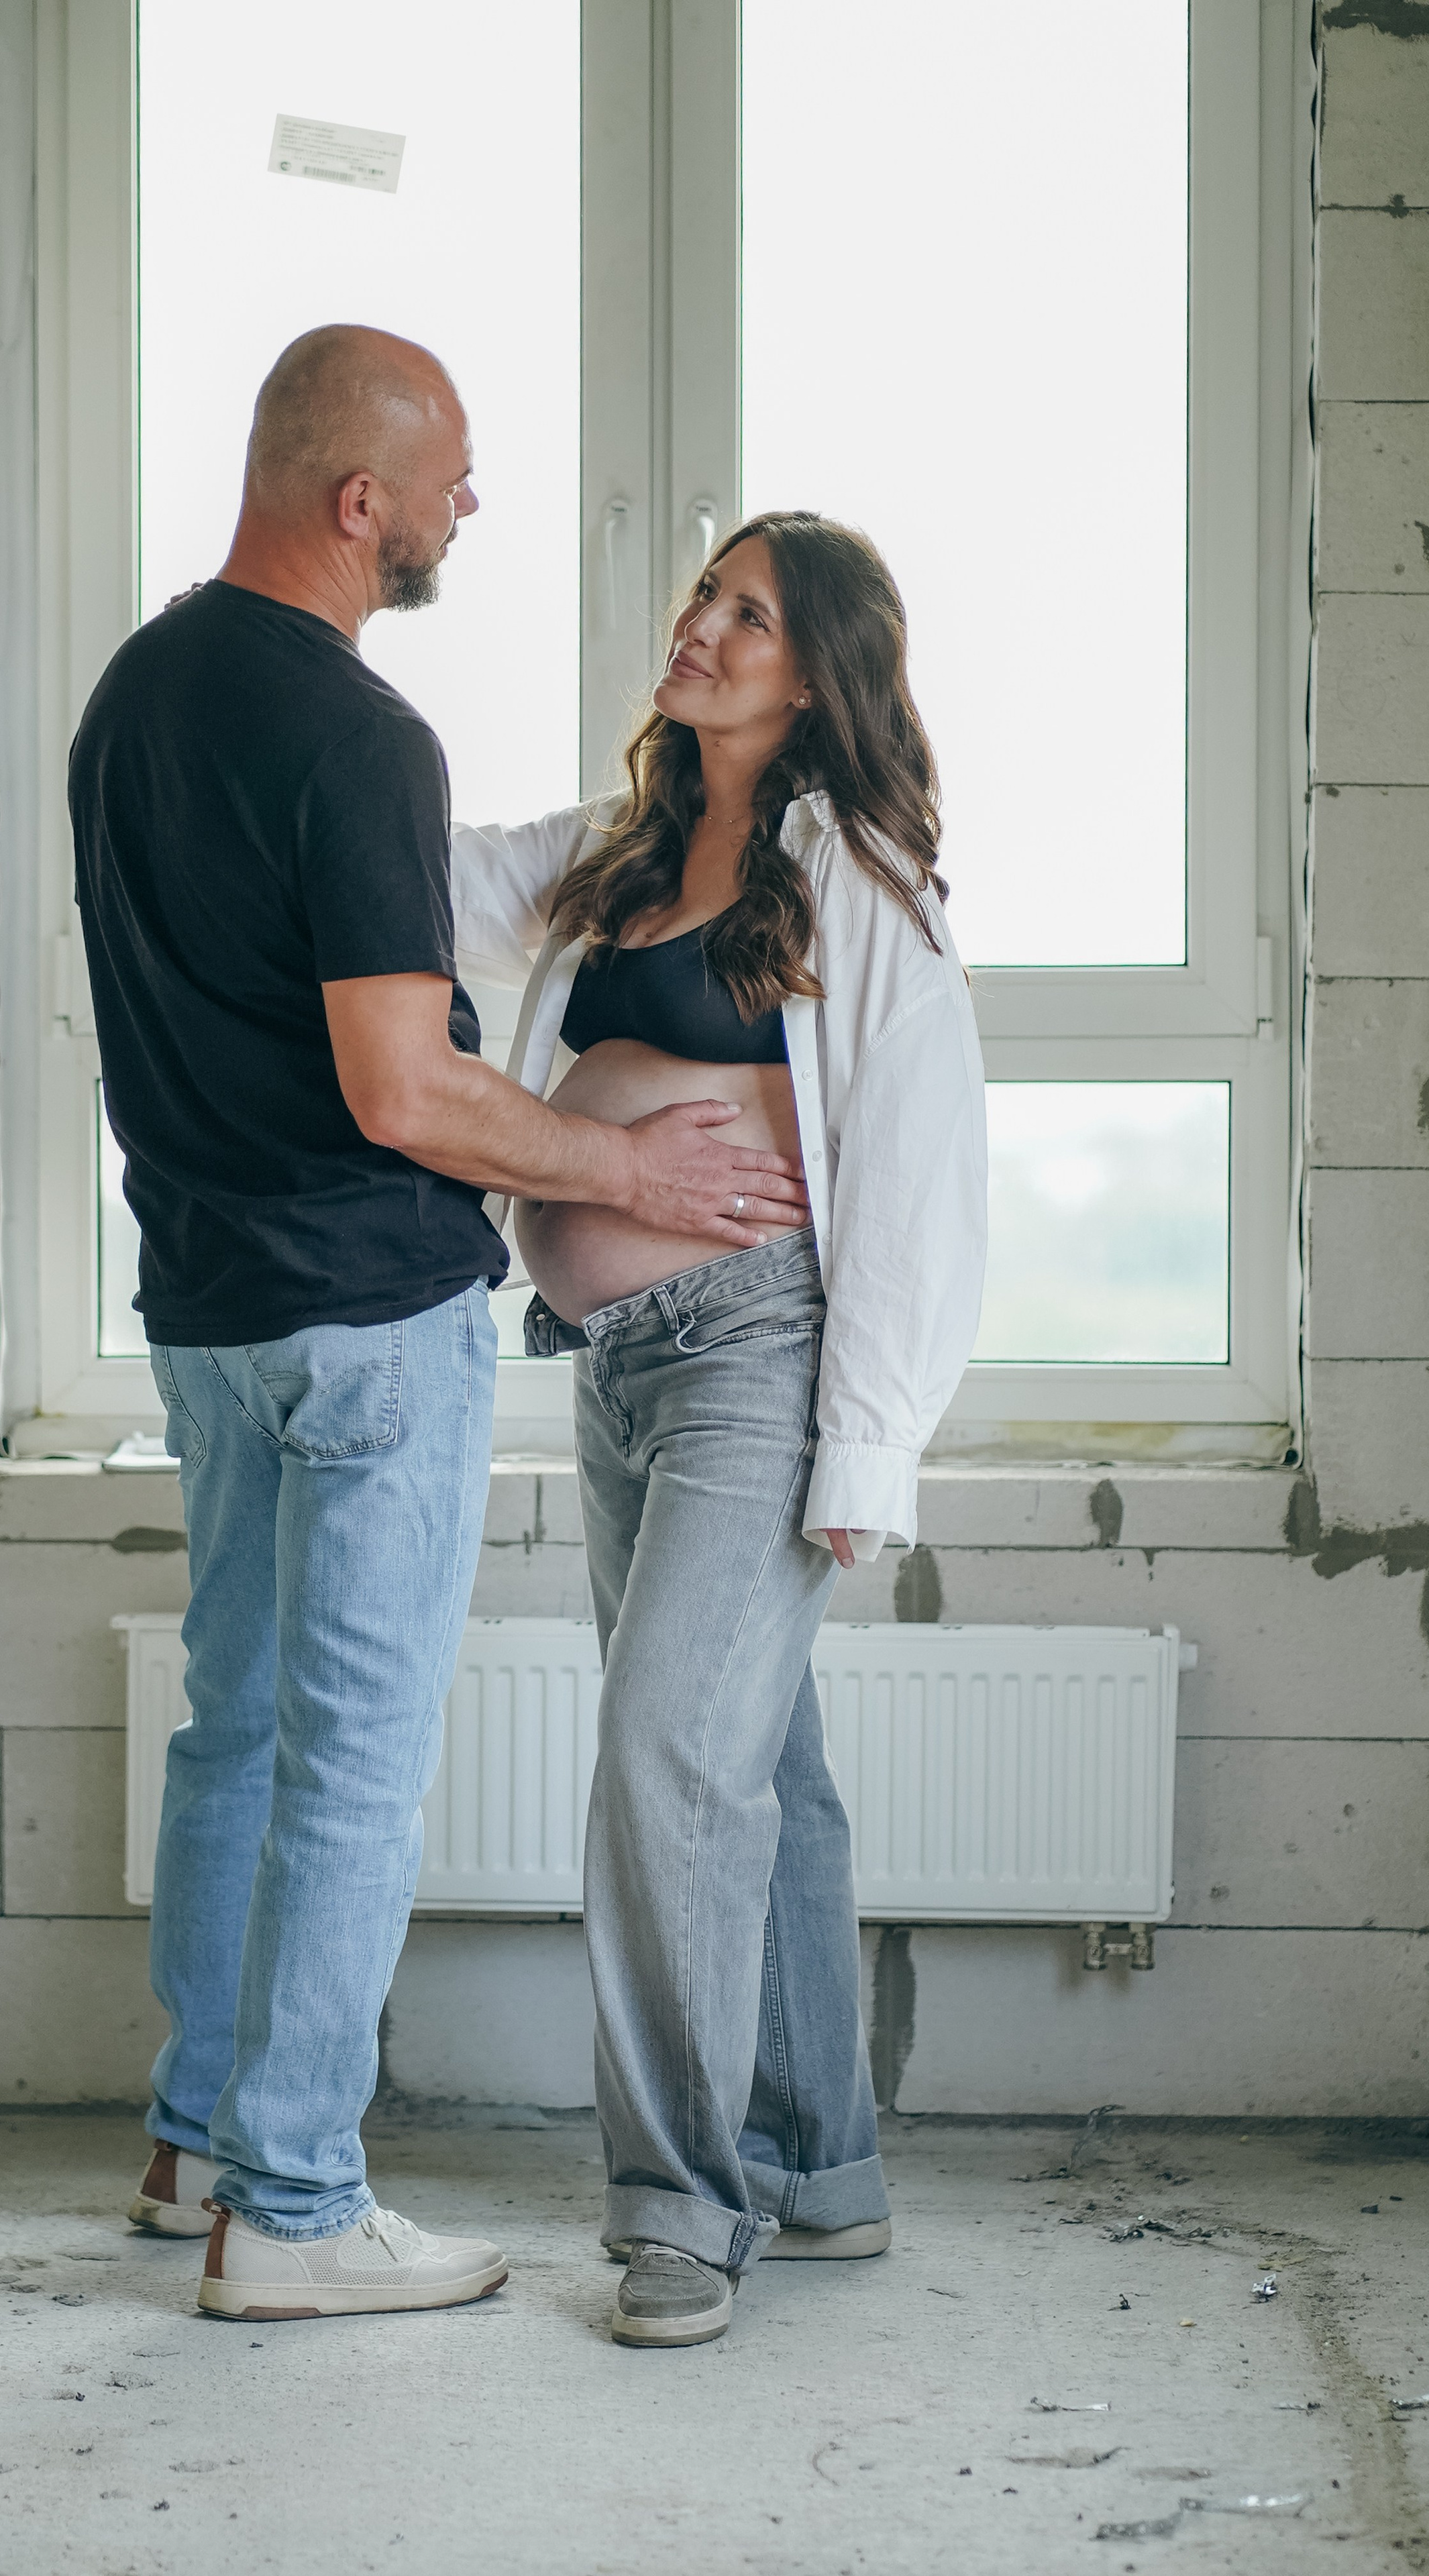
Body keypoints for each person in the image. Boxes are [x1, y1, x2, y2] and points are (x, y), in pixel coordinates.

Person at [68, 328, 810, 2324]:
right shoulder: (357, 735)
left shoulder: (134, 699)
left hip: (209, 1313)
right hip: (368, 1322)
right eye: (454, 475)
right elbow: (400, 1086)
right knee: (357, 1767)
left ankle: (197, 2142)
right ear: (358, 500)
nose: (472, 504)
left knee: (236, 1730)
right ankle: (295, 2216)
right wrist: (624, 1167)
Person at [451, 512, 988, 2347]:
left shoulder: (855, 870)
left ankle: (685, 2205)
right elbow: (403, 879)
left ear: (818, 667)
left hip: (764, 1348)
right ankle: (823, 2159)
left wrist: (870, 1451)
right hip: (616, 1362)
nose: (704, 628)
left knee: (671, 1755)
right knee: (765, 1769)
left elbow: (919, 1167)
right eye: (703, 597)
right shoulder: (608, 856)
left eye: (749, 614)